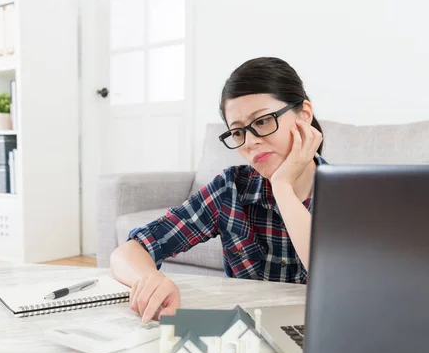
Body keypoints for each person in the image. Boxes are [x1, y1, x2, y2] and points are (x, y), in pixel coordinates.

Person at [110, 57, 325, 323]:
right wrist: (150, 279)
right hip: (246, 338)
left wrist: (282, 187)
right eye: (237, 132)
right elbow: (127, 252)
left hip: (322, 333)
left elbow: (334, 280)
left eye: (263, 121)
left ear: (304, 114)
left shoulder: (350, 193)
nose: (251, 142)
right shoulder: (232, 188)